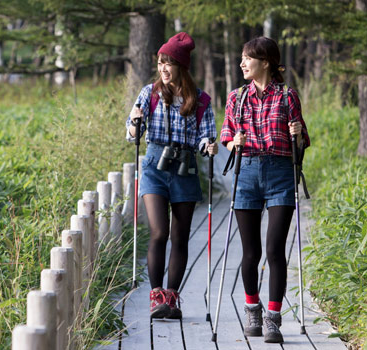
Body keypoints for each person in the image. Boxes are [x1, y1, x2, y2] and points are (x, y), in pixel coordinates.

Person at [218, 36, 310, 344]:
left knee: (274, 250)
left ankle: (273, 318)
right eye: (242, 58)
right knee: (250, 251)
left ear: (265, 63)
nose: (242, 63)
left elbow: (300, 143)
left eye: (248, 58)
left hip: (281, 173)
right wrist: (234, 142)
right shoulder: (237, 97)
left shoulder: (287, 96)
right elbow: (226, 135)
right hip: (247, 174)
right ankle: (252, 310)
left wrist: (297, 134)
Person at [125, 32, 217, 320]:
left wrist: (208, 146)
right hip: (154, 165)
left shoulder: (200, 100)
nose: (163, 68)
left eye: (169, 63)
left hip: (185, 168)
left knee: (180, 237)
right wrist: (134, 124)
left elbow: (206, 136)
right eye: (161, 62)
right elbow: (132, 134)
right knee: (159, 232)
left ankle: (172, 298)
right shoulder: (149, 93)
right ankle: (156, 297)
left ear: (181, 66)